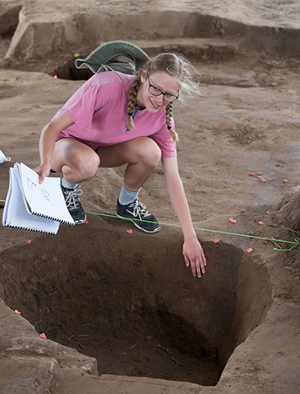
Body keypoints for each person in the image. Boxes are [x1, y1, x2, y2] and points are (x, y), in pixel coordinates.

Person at [34, 41, 207, 278]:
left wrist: (191, 237)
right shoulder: (106, 86)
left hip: (101, 149)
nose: (159, 99)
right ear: (143, 76)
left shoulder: (163, 120)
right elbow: (51, 128)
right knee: (87, 163)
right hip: (63, 147)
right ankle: (67, 189)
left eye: (169, 95)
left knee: (151, 151)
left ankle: (127, 204)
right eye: (156, 89)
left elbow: (173, 180)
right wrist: (45, 163)